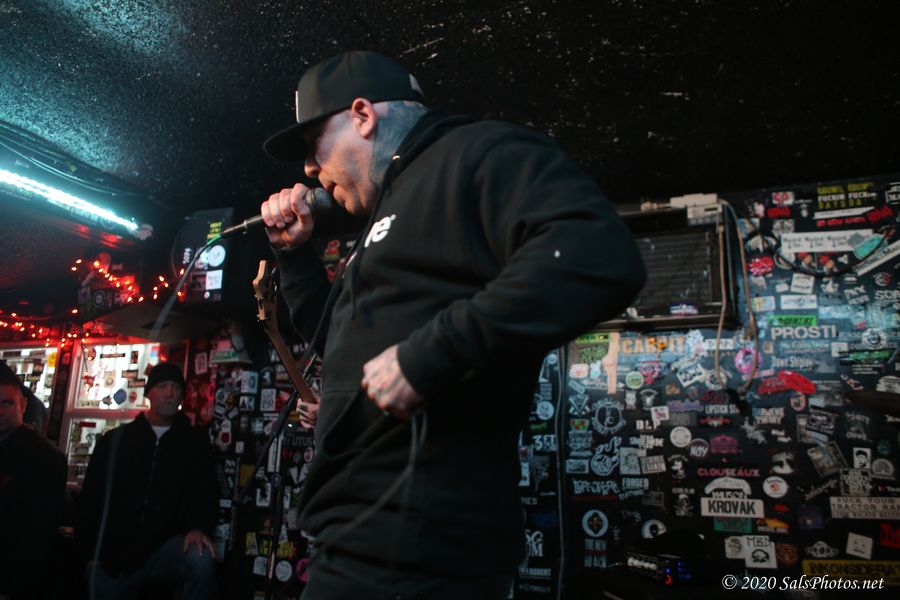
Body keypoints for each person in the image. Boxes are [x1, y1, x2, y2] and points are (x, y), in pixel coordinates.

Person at [260, 51, 646, 599]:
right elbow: (338, 343)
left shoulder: (477, 151)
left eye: (312, 143)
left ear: (362, 116)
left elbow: (595, 253)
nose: (307, 168)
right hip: (351, 536)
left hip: (421, 542)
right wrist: (296, 259)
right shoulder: (381, 218)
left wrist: (430, 355)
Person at [76, 362, 218, 600]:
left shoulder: (194, 443)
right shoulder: (116, 440)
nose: (169, 393)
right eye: (162, 386)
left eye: (175, 387)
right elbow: (91, 497)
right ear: (149, 392)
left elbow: (205, 492)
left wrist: (197, 527)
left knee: (200, 557)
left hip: (164, 549)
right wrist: (89, 555)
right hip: (113, 553)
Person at [0, 370, 67, 600]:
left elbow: (37, 533)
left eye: (7, 403)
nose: (0, 411)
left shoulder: (44, 457)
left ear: (23, 405)